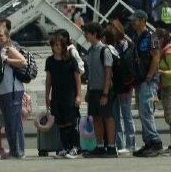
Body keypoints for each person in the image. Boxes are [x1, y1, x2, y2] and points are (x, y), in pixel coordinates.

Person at [129, 10, 164, 156]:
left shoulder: (151, 37)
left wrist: (150, 75)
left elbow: (156, 57)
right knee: (142, 112)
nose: (132, 22)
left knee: (146, 111)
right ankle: (148, 142)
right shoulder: (135, 37)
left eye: (135, 20)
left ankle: (155, 142)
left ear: (143, 20)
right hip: (139, 78)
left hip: (148, 79)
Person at [0, 24, 27, 158]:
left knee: (15, 122)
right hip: (2, 91)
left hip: (13, 90)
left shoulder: (9, 49)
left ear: (7, 37)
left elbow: (23, 62)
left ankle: (19, 151)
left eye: (1, 35)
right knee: (9, 123)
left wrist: (7, 60)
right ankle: (13, 150)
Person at [44, 32, 82, 158]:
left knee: (70, 123)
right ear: (52, 46)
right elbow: (48, 80)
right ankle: (66, 148)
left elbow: (77, 78)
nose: (58, 47)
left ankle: (76, 147)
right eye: (56, 45)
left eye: (60, 45)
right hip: (56, 96)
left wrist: (78, 96)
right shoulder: (50, 61)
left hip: (70, 96)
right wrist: (47, 97)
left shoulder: (70, 60)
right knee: (60, 124)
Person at [82, 22, 117, 157]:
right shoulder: (90, 51)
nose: (85, 35)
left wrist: (105, 94)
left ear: (95, 34)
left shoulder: (105, 50)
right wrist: (88, 91)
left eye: (87, 33)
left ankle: (111, 147)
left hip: (104, 90)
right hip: (94, 90)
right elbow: (90, 73)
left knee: (107, 117)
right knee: (96, 118)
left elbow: (108, 73)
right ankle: (100, 146)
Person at [108, 20, 136, 153]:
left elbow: (128, 64)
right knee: (115, 116)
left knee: (126, 114)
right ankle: (119, 144)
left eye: (112, 28)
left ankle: (130, 144)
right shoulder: (109, 45)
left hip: (125, 84)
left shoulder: (126, 45)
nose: (110, 31)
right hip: (114, 85)